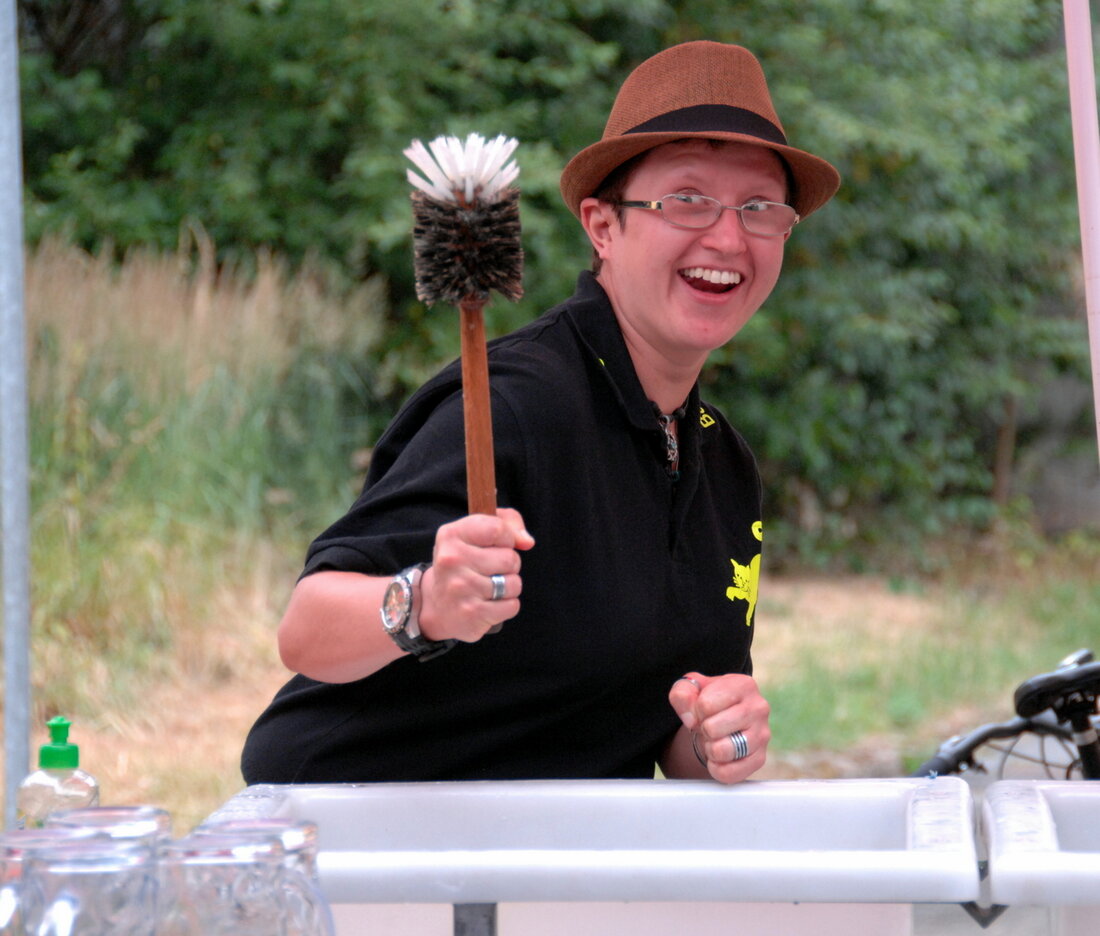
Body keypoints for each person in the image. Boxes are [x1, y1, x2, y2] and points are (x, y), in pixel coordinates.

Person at [240, 40, 840, 785]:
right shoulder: (514, 405)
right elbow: (307, 629)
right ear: (602, 225)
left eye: (759, 208)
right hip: (374, 839)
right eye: (687, 200)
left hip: (556, 855)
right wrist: (424, 601)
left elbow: (670, 735)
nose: (726, 237)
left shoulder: (722, 462)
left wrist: (719, 734)